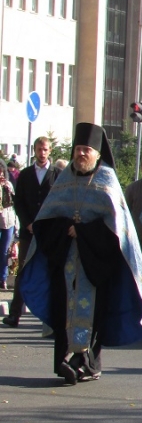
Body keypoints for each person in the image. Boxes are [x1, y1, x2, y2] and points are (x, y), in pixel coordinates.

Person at [19, 123, 142, 384]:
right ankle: (63, 361)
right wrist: (66, 229)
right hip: (64, 260)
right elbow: (45, 221)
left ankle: (87, 364)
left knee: (94, 313)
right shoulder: (63, 180)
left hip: (96, 262)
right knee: (63, 311)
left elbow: (118, 228)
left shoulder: (107, 180)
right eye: (78, 149)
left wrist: (83, 232)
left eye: (87, 150)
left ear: (97, 153)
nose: (81, 154)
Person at [4, 136, 59, 327]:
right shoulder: (26, 174)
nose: (42, 153)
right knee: (24, 271)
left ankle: (52, 318)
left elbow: (60, 204)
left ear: (49, 151)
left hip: (50, 233)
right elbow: (18, 202)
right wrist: (27, 223)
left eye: (45, 149)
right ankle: (14, 314)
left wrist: (48, 225)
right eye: (38, 149)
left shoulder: (57, 174)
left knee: (51, 272)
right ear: (34, 150)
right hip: (29, 232)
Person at [0, 165, 16, 290]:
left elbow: (11, 203)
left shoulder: (8, 185)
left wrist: (7, 189)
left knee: (5, 251)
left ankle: (3, 278)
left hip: (7, 222)